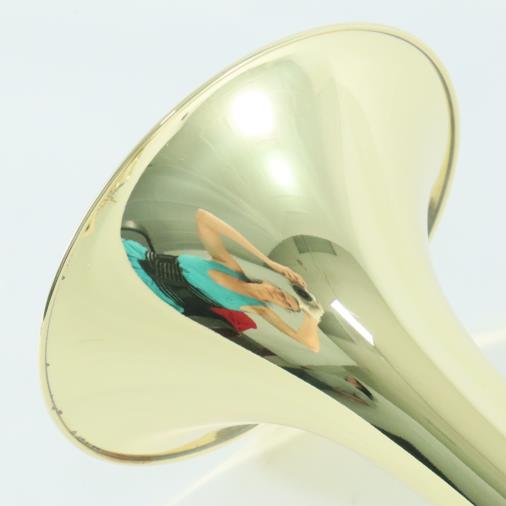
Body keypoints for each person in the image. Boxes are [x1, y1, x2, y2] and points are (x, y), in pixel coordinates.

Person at [122, 208, 323, 352]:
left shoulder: (258, 308)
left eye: (285, 303)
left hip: (151, 295)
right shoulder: (229, 265)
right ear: (273, 282)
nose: (279, 296)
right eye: (282, 292)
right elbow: (203, 217)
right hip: (135, 256)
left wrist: (312, 315)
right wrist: (269, 262)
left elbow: (311, 345)